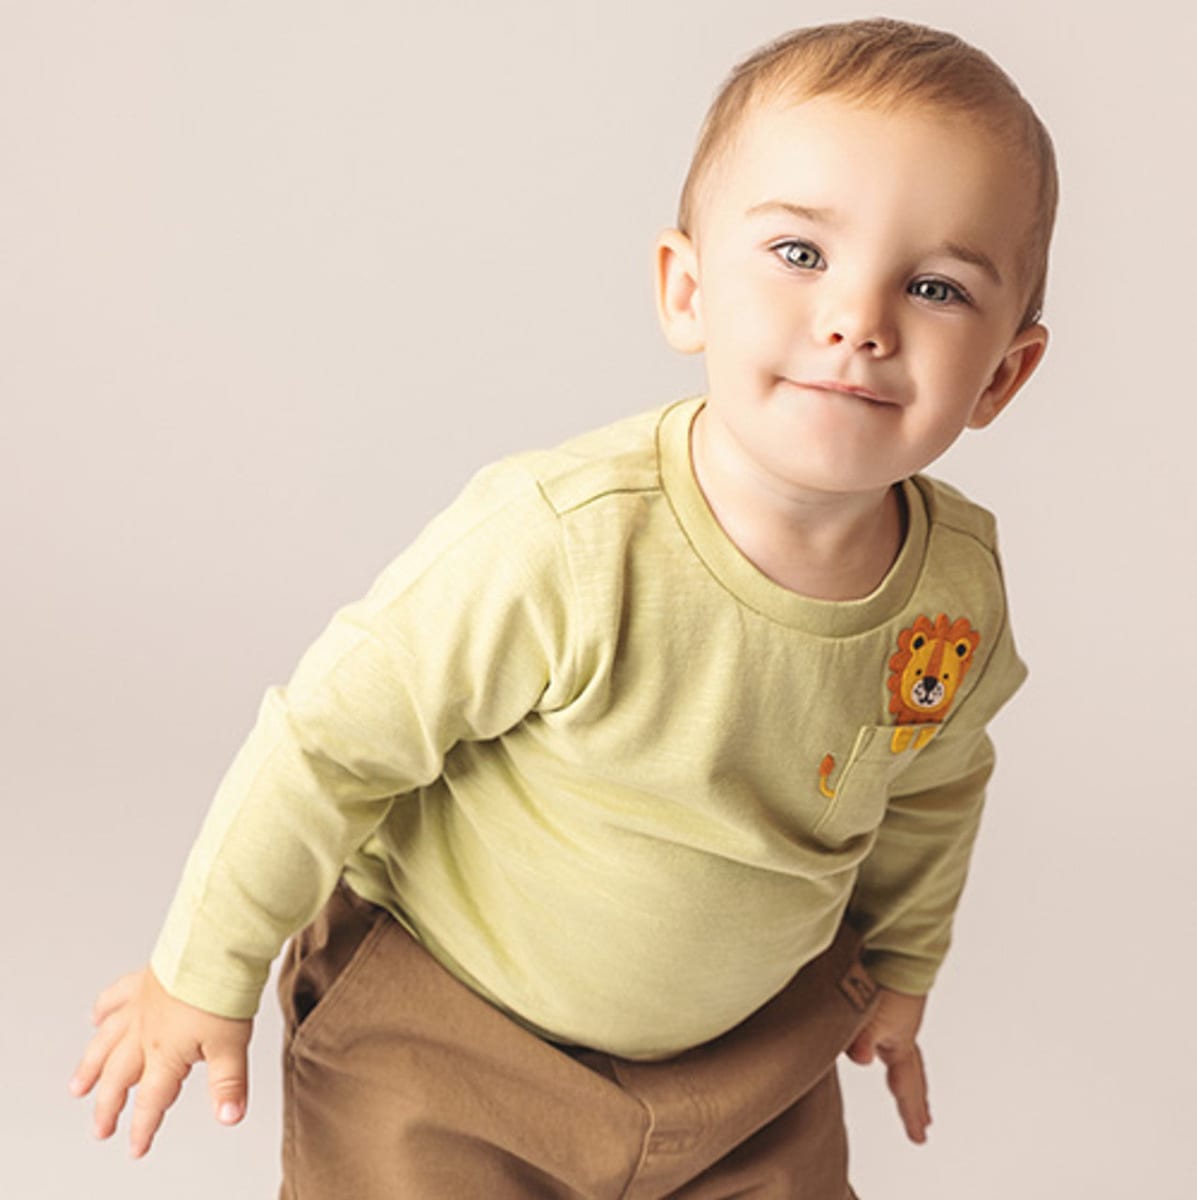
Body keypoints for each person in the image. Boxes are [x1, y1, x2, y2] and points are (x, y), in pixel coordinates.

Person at [70, 17, 1056, 1198]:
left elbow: (936, 787)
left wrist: (901, 966)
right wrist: (202, 973)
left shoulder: (955, 590)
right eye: (800, 253)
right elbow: (329, 744)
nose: (860, 321)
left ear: (1003, 373)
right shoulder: (564, 542)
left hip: (745, 1064)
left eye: (936, 287)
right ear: (687, 290)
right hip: (448, 1033)